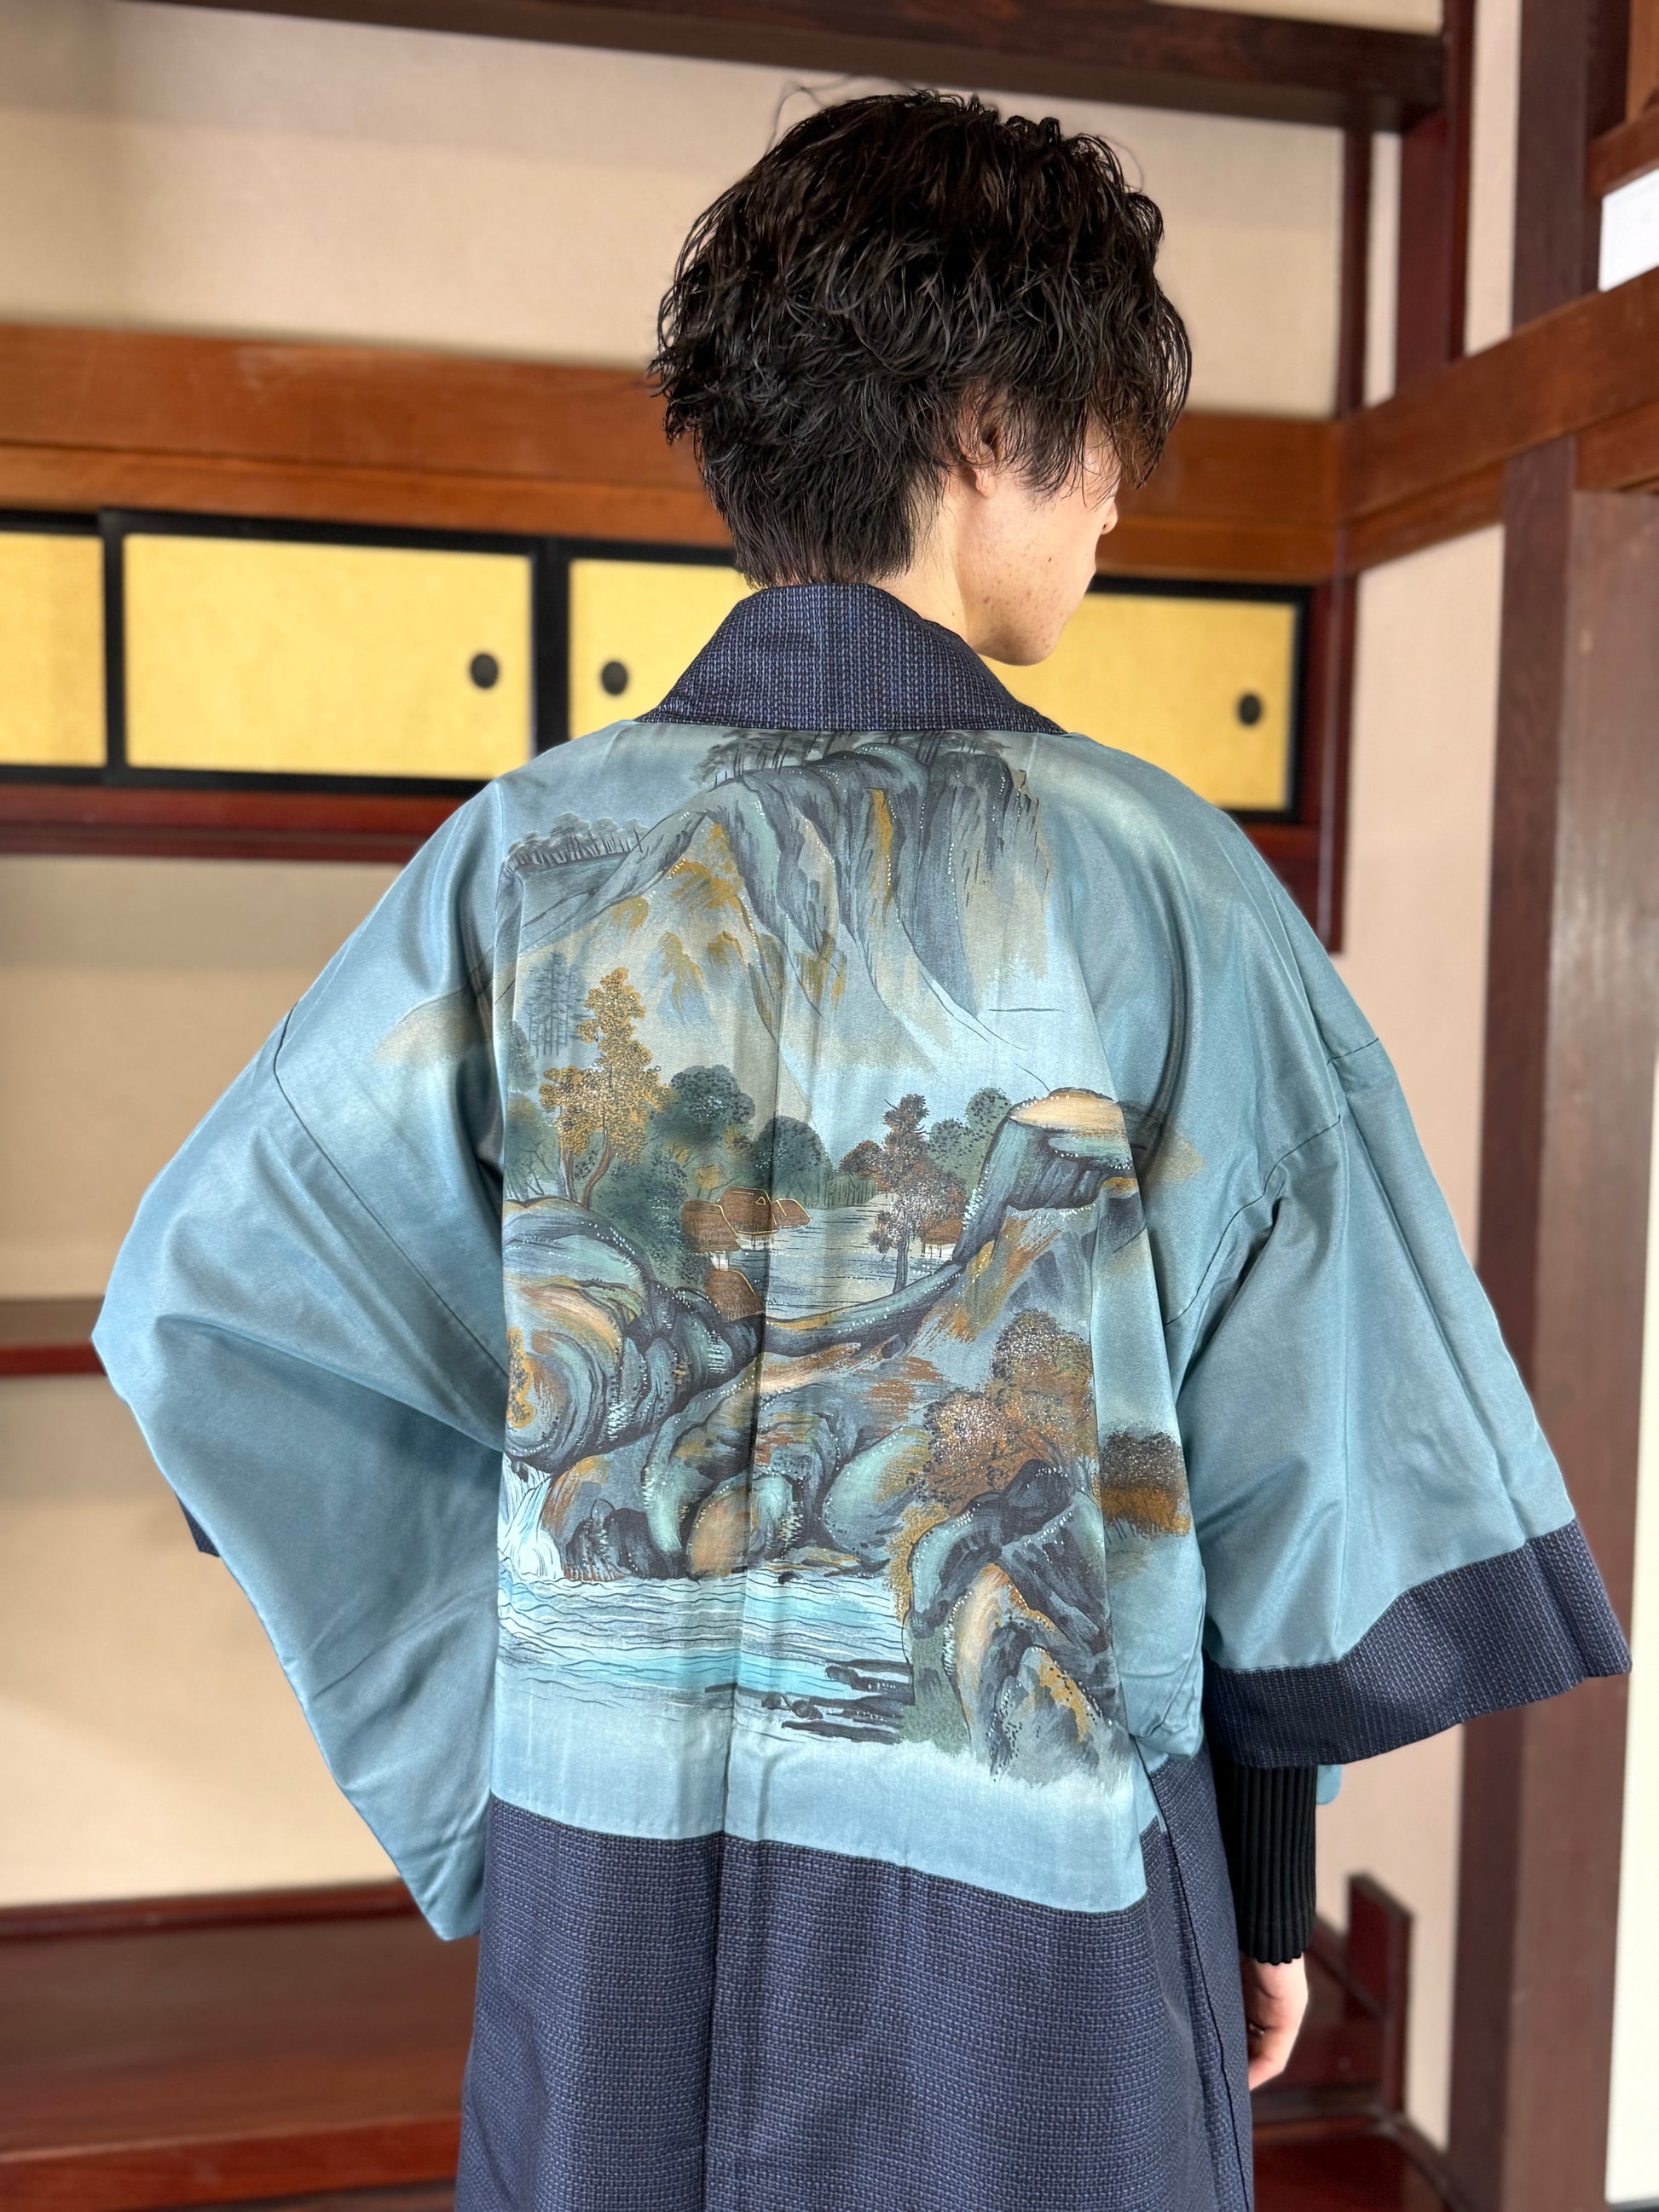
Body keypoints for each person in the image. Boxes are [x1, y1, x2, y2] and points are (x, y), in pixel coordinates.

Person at [95, 90, 1627, 2212]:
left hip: (618, 1910)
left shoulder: (526, 858)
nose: (1116, 498)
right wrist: (1268, 1890)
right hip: (1036, 1933)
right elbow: (1294, 1440)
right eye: (1102, 439)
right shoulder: (1158, 879)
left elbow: (219, 1298)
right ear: (990, 426)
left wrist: (512, 1715)